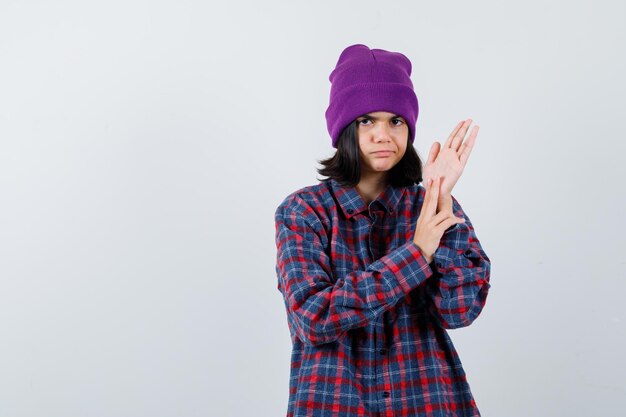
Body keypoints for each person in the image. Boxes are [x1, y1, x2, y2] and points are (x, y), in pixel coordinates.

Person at [274, 43, 492, 417]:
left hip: (426, 400)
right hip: (333, 402)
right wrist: (416, 254)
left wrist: (439, 197)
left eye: (396, 121)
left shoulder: (431, 207)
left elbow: (459, 310)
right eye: (366, 120)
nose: (383, 134)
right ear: (344, 128)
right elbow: (313, 317)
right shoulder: (303, 211)